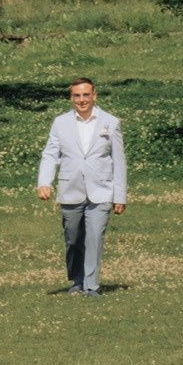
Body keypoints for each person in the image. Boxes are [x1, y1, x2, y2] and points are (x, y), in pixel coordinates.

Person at [36, 77, 127, 294]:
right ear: (71, 98)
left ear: (94, 95)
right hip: (71, 190)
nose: (82, 100)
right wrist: (44, 182)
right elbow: (50, 154)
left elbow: (119, 160)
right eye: (77, 95)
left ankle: (91, 286)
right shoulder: (60, 123)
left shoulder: (111, 122)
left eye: (86, 95)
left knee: (95, 237)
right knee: (73, 238)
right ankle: (77, 279)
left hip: (101, 191)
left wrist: (119, 196)